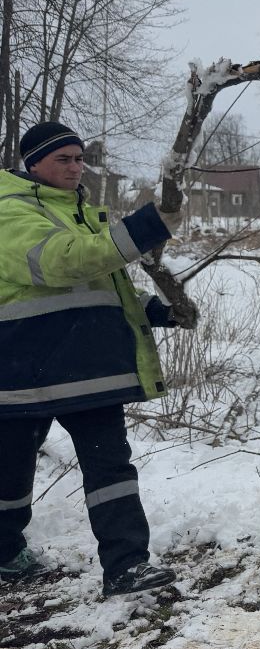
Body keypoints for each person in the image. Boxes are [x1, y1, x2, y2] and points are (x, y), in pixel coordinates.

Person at [0, 122, 184, 596]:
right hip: (25, 370)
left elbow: (103, 284)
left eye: (80, 158)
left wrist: (158, 310)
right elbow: (62, 262)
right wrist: (142, 230)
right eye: (64, 159)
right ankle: (4, 553)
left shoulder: (81, 211)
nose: (76, 167)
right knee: (10, 470)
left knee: (111, 470)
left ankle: (127, 566)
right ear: (33, 163)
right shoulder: (10, 211)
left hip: (86, 370)